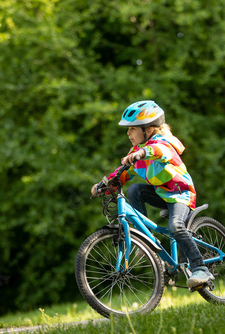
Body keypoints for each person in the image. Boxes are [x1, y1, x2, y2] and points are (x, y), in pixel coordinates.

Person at [91, 100, 214, 288]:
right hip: (162, 194)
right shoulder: (136, 153)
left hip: (180, 193)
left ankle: (201, 268)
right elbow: (122, 174)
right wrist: (105, 185)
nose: (128, 133)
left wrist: (143, 153)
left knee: (176, 226)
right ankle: (145, 238)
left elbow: (159, 151)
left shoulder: (162, 143)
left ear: (147, 129)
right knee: (134, 190)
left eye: (132, 128)